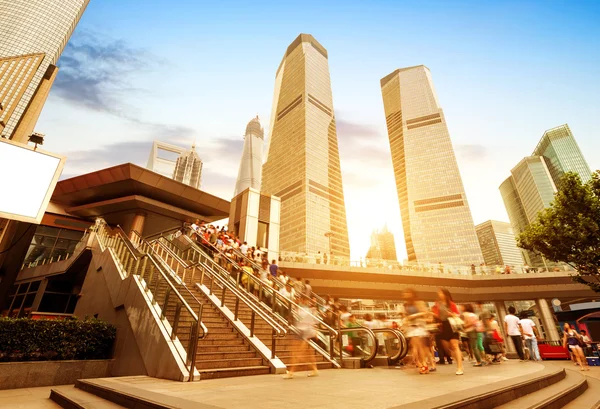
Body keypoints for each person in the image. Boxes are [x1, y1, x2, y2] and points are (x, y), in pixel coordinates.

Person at [283, 296, 318, 379]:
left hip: (305, 332)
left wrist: (314, 331)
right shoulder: (300, 309)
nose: (299, 301)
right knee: (308, 352)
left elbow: (313, 322)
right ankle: (315, 369)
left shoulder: (308, 310)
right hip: (299, 331)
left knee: (298, 352)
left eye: (301, 300)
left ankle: (291, 372)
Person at [432, 288, 464, 375]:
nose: (439, 294)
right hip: (443, 326)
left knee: (454, 345)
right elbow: (438, 316)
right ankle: (459, 360)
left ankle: (460, 367)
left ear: (445, 294)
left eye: (440, 293)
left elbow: (457, 314)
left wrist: (452, 314)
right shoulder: (437, 304)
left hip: (451, 325)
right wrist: (433, 315)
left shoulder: (451, 304)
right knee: (448, 348)